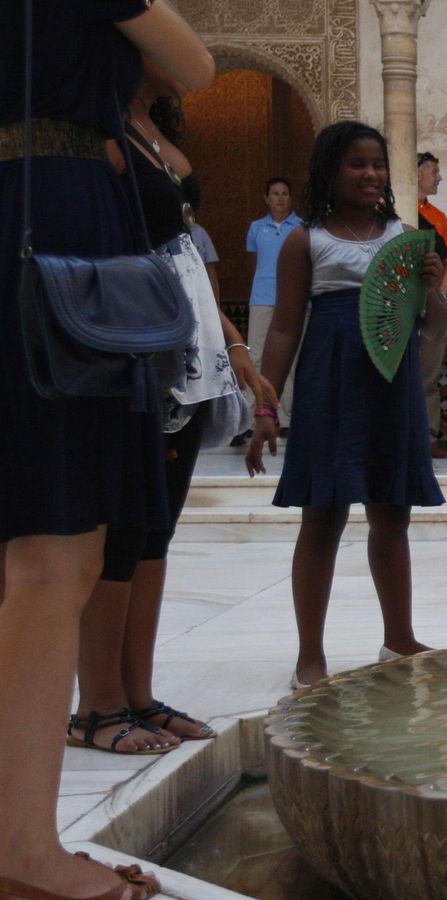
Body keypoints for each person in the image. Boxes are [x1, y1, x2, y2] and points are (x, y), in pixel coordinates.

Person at [0, 0, 212, 894]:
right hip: (47, 225)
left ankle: (22, 842)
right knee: (55, 553)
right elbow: (194, 65)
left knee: (63, 550)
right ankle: (24, 854)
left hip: (60, 222)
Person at [71, 57, 275, 757]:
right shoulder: (96, 129)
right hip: (138, 345)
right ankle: (95, 707)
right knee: (123, 526)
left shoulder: (147, 129)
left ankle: (137, 696)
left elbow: (188, 245)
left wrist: (233, 340)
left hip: (188, 345)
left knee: (156, 528)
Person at [246, 121, 447, 688]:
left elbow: (432, 325)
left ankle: (399, 636)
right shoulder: (305, 239)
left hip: (392, 382)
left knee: (392, 514)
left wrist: (433, 286)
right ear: (329, 173)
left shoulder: (405, 235)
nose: (370, 174)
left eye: (378, 164)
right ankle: (310, 653)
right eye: (357, 164)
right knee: (323, 515)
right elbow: (285, 328)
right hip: (330, 380)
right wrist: (266, 407)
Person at [246, 176, 302, 428]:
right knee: (255, 357)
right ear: (266, 199)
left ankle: (287, 418)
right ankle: (250, 418)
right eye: (275, 194)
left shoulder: (302, 227)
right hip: (262, 299)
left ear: (291, 198)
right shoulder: (256, 228)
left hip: (293, 298)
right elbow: (254, 264)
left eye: (284, 193)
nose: (280, 198)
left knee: (290, 359)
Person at [416, 150, 447, 459]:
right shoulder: (389, 211)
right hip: (394, 306)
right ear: (417, 173)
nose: (439, 177)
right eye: (434, 171)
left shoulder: (438, 218)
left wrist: (439, 296)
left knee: (428, 373)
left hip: (428, 304)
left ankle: (428, 437)